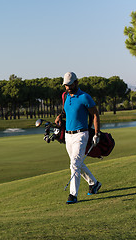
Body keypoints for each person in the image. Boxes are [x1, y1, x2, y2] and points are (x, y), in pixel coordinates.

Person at [55, 72, 101, 204]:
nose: (67, 87)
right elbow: (66, 111)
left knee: (74, 164)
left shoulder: (85, 97)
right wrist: (60, 116)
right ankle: (94, 183)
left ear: (76, 82)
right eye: (65, 85)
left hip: (81, 134)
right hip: (68, 136)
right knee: (76, 164)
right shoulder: (65, 96)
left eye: (70, 84)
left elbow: (95, 115)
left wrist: (97, 134)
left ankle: (72, 195)